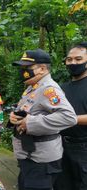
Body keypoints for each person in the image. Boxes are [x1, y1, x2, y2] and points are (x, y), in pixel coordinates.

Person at [10, 49, 77, 190]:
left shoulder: (49, 89)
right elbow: (30, 110)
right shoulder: (33, 87)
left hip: (40, 161)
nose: (23, 72)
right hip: (30, 156)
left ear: (42, 69)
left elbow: (68, 117)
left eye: (26, 68)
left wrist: (30, 122)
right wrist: (15, 116)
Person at [54, 42, 87, 190]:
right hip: (59, 145)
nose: (73, 63)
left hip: (83, 148)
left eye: (78, 59)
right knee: (61, 185)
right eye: (69, 59)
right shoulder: (61, 88)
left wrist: (70, 119)